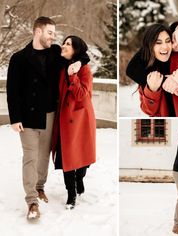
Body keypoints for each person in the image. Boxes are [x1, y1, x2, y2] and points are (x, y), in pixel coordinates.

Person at [6, 16, 79, 220]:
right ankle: (32, 201)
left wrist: (80, 63)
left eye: (54, 33)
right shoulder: (18, 58)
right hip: (27, 118)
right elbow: (12, 92)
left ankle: (39, 187)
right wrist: (15, 118)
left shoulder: (55, 52)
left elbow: (80, 52)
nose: (53, 37)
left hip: (50, 115)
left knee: (44, 155)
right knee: (30, 157)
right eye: (50, 32)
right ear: (38, 32)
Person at [51, 36, 96, 210]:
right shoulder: (60, 65)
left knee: (84, 158)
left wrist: (73, 76)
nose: (64, 46)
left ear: (76, 49)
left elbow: (81, 95)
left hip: (81, 119)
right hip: (64, 119)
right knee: (66, 158)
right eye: (64, 42)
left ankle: (80, 178)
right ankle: (71, 193)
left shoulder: (84, 70)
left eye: (68, 44)